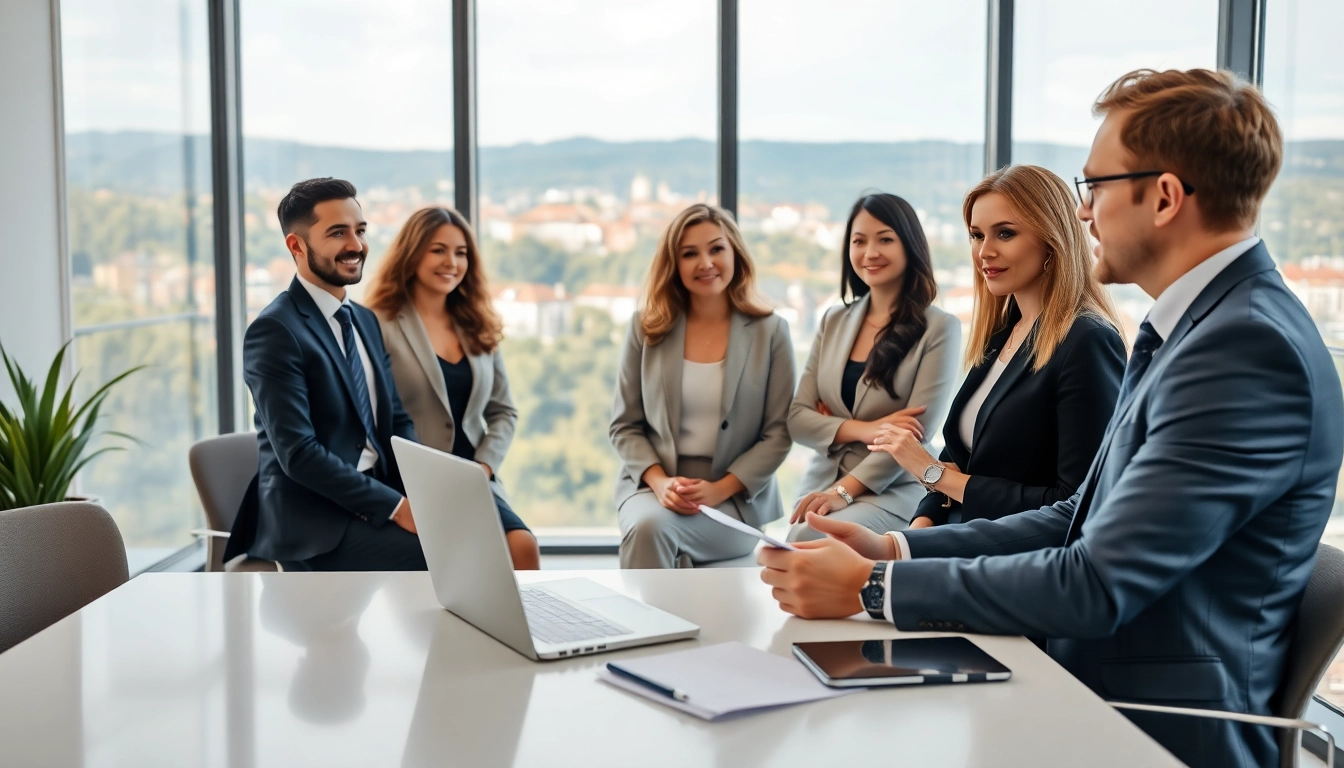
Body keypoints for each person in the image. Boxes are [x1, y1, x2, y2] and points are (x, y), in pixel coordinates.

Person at [759, 69, 1344, 768]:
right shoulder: (1200, 329)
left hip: (1146, 722)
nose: (1085, 212)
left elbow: (1095, 583)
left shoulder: (1243, 349)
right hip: (1082, 678)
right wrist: (893, 552)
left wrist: (872, 589)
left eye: (1094, 186)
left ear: (1164, 197)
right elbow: (1078, 517)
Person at [869, 165, 1124, 530]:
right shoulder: (1002, 334)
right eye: (976, 235)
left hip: (1014, 549)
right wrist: (916, 533)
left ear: (1052, 239)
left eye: (1005, 233)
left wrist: (928, 471)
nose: (984, 252)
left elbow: (1076, 503)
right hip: (958, 534)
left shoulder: (1087, 340)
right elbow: (959, 457)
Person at [225, 177, 424, 571]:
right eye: (337, 233)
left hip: (377, 491)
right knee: (444, 553)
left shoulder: (364, 320)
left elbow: (396, 420)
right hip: (314, 517)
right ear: (297, 246)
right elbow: (299, 454)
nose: (356, 245)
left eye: (360, 230)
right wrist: (396, 507)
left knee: (483, 530)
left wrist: (425, 488)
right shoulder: (275, 331)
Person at [610, 203, 795, 568]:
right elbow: (625, 426)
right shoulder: (646, 329)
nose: (706, 263)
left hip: (735, 500)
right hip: (653, 488)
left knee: (656, 533)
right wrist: (660, 483)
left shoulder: (771, 332)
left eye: (716, 249)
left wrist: (719, 489)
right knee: (649, 527)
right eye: (689, 254)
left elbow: (779, 434)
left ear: (735, 253)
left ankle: (642, 608)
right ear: (674, 264)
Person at [364, 206, 539, 570]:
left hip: (474, 478)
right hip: (408, 482)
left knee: (522, 545)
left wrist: (483, 468)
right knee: (457, 558)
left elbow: (503, 412)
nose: (452, 262)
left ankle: (525, 615)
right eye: (438, 250)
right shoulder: (378, 323)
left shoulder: (477, 324)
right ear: (412, 254)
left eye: (461, 253)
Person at [786, 193, 959, 542]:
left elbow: (914, 435)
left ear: (910, 245)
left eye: (885, 239)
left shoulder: (939, 328)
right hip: (822, 480)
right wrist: (868, 430)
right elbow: (798, 419)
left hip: (892, 489)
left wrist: (843, 492)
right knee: (788, 547)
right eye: (859, 241)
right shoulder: (834, 320)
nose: (870, 253)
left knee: (809, 541)